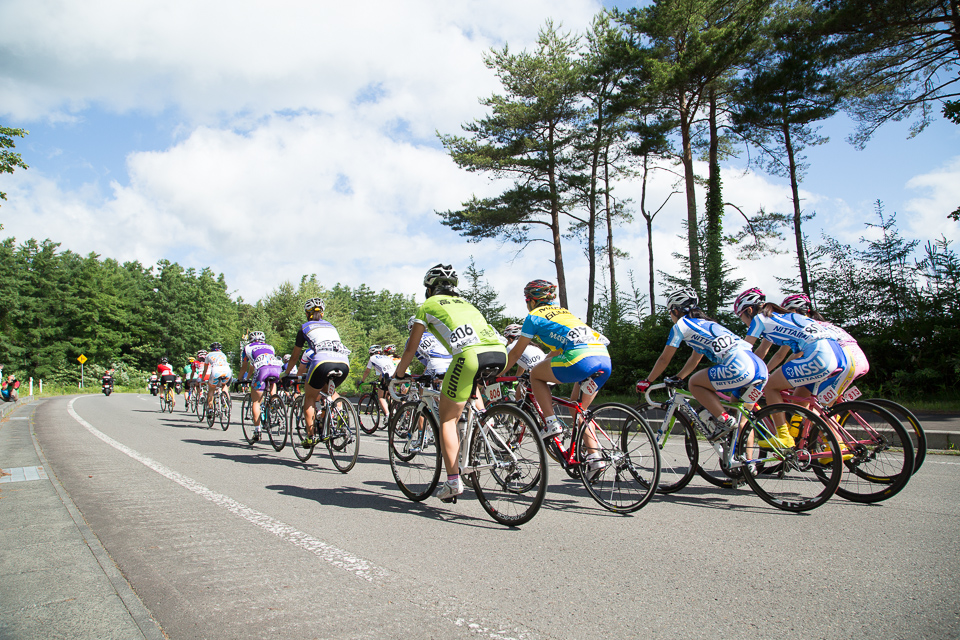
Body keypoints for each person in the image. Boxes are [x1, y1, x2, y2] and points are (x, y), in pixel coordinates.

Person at [394, 264, 507, 502]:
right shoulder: (468, 304)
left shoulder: (427, 306)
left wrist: (399, 374)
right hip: (499, 353)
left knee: (447, 419)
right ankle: (479, 431)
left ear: (429, 289)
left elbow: (411, 346)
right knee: (468, 402)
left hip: (469, 356)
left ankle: (453, 480)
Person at [501, 279, 611, 480]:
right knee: (578, 410)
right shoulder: (565, 313)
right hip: (603, 359)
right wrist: (545, 363)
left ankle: (551, 423)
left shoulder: (533, 316)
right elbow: (556, 351)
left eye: (527, 300)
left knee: (535, 374)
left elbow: (516, 353)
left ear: (532, 301)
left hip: (580, 359)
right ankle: (595, 457)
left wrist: (497, 374)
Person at [635, 289, 769, 439]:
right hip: (760, 370)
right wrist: (679, 377)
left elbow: (664, 359)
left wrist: (648, 381)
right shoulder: (707, 324)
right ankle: (746, 461)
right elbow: (695, 359)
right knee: (742, 422)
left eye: (670, 312)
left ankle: (724, 419)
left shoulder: (681, 326)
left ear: (675, 310)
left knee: (694, 383)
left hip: (740, 367)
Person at [733, 287, 847, 448]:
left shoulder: (759, 319)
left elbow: (745, 351)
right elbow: (766, 352)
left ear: (749, 310)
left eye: (741, 317)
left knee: (771, 386)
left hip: (820, 355)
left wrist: (736, 374)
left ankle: (784, 437)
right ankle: (835, 444)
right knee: (809, 403)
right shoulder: (784, 317)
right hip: (838, 355)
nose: (743, 322)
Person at [282, 298, 351, 447]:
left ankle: (311, 436)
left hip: (322, 361)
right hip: (344, 362)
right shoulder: (331, 326)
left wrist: (286, 373)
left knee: (310, 397)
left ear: (307, 314)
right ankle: (336, 415)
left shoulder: (304, 327)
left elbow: (294, 357)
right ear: (323, 313)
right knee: (329, 393)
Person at [781, 293, 869, 404]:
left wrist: (780, 375)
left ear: (793, 312)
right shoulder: (823, 324)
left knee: (818, 410)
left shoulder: (805, 327)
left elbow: (792, 355)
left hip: (846, 362)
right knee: (811, 400)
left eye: (785, 314)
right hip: (858, 359)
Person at [237, 331, 284, 442]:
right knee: (272, 382)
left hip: (262, 370)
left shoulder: (247, 348)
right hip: (276, 369)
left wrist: (240, 379)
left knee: (256, 401)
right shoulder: (270, 347)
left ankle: (257, 430)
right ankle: (274, 400)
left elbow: (245, 367)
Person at [502, 323, 546, 401]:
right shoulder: (531, 345)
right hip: (548, 370)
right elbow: (522, 366)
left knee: (518, 396)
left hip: (536, 374)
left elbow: (504, 365)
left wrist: (497, 375)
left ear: (510, 338)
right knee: (523, 394)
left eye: (507, 339)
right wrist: (516, 379)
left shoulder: (512, 347)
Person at [406, 315, 453, 385]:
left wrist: (396, 376)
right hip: (451, 362)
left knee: (423, 385)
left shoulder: (411, 339)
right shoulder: (433, 335)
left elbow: (405, 359)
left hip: (436, 364)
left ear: (410, 327)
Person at [360, 344, 397, 417]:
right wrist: (379, 380)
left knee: (381, 397)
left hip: (387, 376)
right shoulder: (386, 357)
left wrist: (362, 381)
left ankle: (387, 415)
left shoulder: (372, 358)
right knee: (389, 395)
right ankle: (395, 412)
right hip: (395, 375)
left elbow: (367, 371)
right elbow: (384, 370)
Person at [201, 342, 234, 418]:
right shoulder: (223, 354)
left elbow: (205, 369)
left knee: (211, 389)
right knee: (224, 385)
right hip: (227, 371)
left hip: (216, 371)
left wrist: (203, 379)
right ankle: (227, 402)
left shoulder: (208, 355)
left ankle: (210, 408)